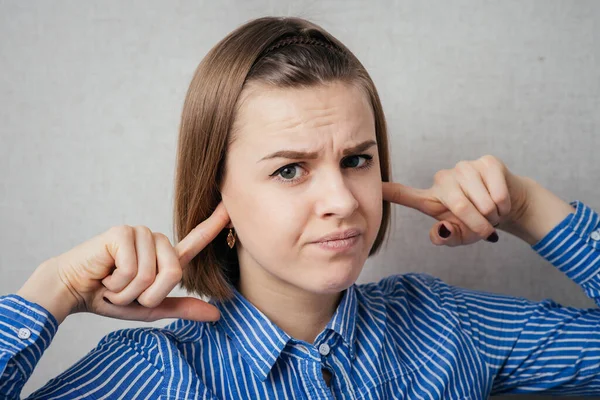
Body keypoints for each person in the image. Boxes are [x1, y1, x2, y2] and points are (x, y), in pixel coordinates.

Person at [1, 16, 599, 399]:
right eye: (290, 169)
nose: (342, 201)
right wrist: (53, 292)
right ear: (218, 196)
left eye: (358, 160)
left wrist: (526, 206)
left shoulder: (445, 328)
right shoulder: (154, 375)